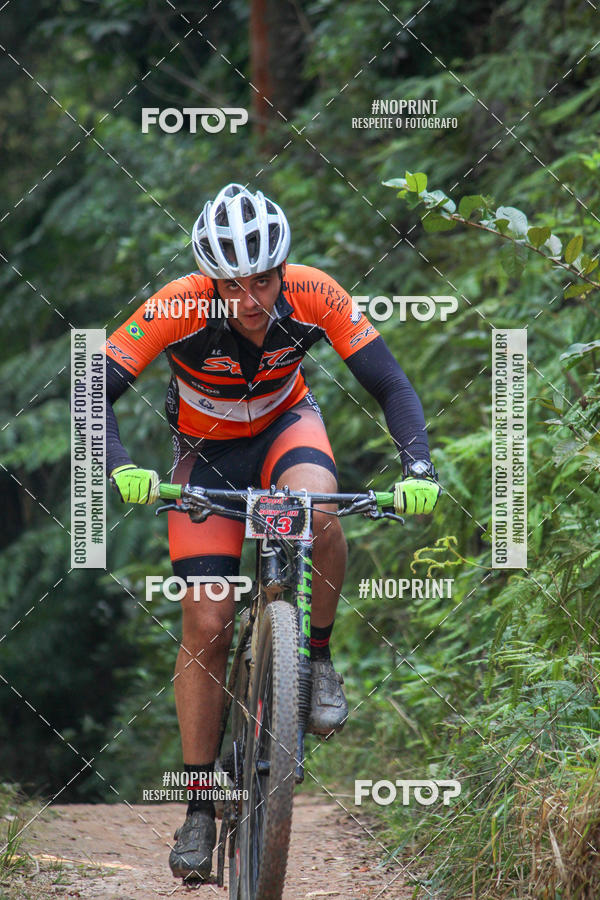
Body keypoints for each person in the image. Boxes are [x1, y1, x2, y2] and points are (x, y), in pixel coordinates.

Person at [103, 183, 440, 882]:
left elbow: (391, 384)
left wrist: (419, 466)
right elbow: (91, 386)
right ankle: (199, 804)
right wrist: (121, 466)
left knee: (319, 510)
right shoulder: (177, 305)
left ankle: (314, 658)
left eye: (262, 280)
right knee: (208, 619)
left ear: (282, 270)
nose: (250, 298)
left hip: (288, 427)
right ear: (210, 280)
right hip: (207, 454)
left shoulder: (316, 292)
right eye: (232, 285)